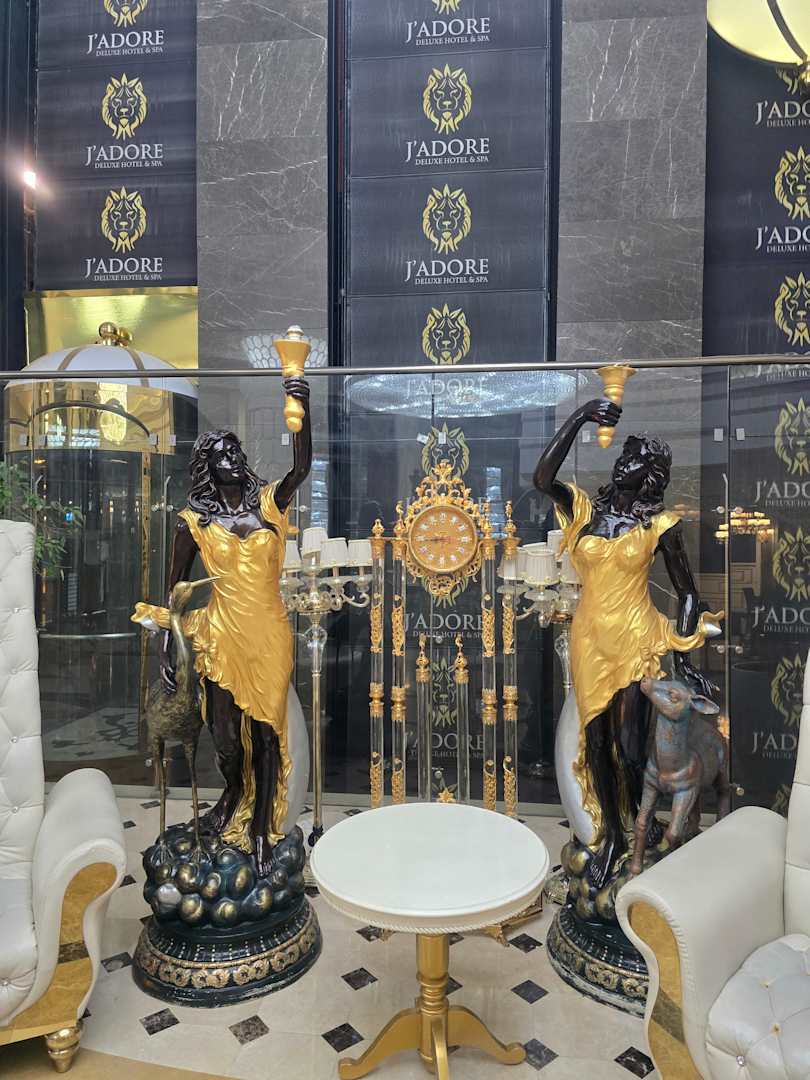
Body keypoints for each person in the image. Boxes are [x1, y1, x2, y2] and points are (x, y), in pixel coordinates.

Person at [533, 399, 720, 885]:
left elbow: (687, 593)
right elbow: (542, 479)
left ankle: (637, 826)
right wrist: (581, 416)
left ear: (650, 475)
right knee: (595, 740)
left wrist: (683, 651)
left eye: (636, 459)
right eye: (624, 454)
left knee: (632, 746)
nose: (624, 462)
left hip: (637, 639)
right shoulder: (584, 512)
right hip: (590, 639)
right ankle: (614, 835)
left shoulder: (660, 526)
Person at [134, 377, 310, 878]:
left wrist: (300, 402)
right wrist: (170, 648)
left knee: (268, 733)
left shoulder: (271, 503)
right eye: (219, 454)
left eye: (234, 450)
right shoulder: (192, 521)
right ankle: (233, 791)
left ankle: (261, 828)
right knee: (226, 737)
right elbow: (174, 591)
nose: (230, 458)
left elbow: (302, 466)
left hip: (269, 632)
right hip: (220, 634)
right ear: (206, 468)